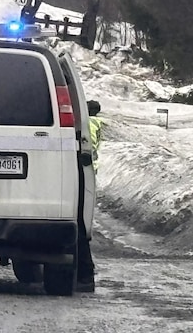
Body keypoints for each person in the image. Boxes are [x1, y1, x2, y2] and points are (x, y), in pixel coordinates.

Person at [78, 99, 105, 292]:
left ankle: (85, 272)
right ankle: (85, 274)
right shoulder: (98, 123)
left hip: (85, 168)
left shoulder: (89, 123)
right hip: (90, 169)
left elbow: (88, 144)